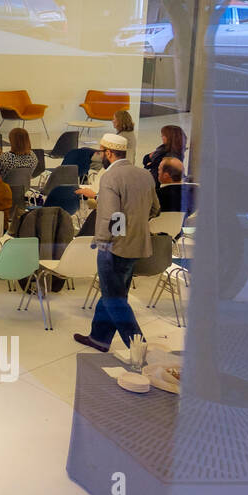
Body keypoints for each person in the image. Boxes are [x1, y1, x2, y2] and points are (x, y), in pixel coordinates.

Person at [73, 133, 161, 353]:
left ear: (109, 153)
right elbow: (154, 209)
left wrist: (106, 240)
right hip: (137, 245)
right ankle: (99, 338)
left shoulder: (110, 177)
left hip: (114, 246)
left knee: (114, 299)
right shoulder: (144, 175)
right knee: (114, 292)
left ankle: (138, 346)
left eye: (101, 152)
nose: (99, 156)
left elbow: (113, 216)